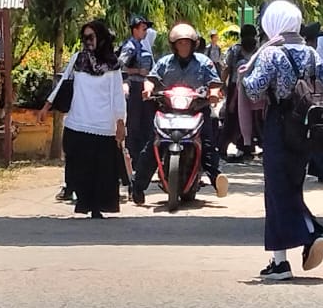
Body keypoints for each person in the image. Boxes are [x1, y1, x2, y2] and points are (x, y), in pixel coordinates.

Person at [240, 0, 323, 280]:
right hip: (305, 126)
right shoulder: (312, 53)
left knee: (277, 191)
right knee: (290, 186)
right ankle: (280, 258)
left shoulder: (270, 55)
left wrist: (244, 73)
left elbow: (254, 91)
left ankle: (309, 235)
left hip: (279, 123)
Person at [135, 23, 227, 204]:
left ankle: (218, 181)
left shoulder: (204, 62)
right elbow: (151, 79)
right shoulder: (165, 62)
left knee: (207, 144)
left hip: (197, 110)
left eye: (187, 43)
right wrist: (148, 89)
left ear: (193, 44)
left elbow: (215, 83)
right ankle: (137, 187)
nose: (183, 47)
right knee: (154, 144)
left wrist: (214, 93)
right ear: (173, 45)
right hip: (168, 112)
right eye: (180, 43)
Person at [59, 20, 127, 218]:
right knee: (80, 167)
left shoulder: (113, 65)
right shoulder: (77, 60)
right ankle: (83, 202)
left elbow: (117, 95)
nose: (88, 42)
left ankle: (98, 207)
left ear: (102, 38)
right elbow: (63, 83)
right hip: (78, 122)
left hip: (104, 126)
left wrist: (120, 122)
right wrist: (46, 106)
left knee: (103, 171)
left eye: (91, 37)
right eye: (85, 38)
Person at [119, 15, 156, 194]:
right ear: (134, 29)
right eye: (142, 28)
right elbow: (120, 66)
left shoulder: (143, 46)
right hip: (134, 87)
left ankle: (142, 161)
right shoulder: (130, 46)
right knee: (134, 126)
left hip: (144, 88)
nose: (145, 31)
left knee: (146, 125)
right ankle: (133, 161)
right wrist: (137, 71)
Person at [223, 23, 263, 159]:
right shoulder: (236, 51)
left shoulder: (258, 51)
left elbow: (227, 69)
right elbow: (227, 69)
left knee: (252, 118)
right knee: (234, 118)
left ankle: (248, 146)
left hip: (250, 88)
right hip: (238, 87)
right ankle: (231, 146)